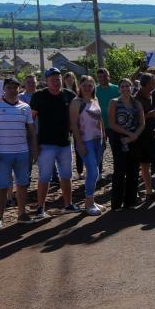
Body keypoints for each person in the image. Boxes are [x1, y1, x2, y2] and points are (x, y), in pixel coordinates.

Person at [0, 77, 38, 227]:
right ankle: (0, 216)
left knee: (22, 184)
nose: (12, 90)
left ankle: (22, 214)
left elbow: (31, 131)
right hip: (2, 153)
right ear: (4, 89)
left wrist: (34, 149)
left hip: (22, 152)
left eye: (15, 87)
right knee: (2, 186)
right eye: (9, 87)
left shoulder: (25, 107)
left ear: (18, 88)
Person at [30, 67, 79, 218]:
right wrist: (34, 143)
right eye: (52, 79)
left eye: (58, 79)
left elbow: (76, 117)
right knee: (44, 177)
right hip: (46, 144)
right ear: (46, 81)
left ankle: (68, 204)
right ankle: (40, 208)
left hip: (65, 143)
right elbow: (31, 120)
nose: (56, 82)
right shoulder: (38, 96)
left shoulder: (69, 95)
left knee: (66, 175)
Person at [70, 75, 105, 215]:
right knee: (93, 172)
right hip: (86, 141)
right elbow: (73, 124)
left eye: (90, 85)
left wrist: (104, 137)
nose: (87, 88)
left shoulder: (95, 99)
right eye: (84, 85)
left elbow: (100, 119)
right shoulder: (76, 102)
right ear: (80, 86)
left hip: (98, 140)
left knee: (94, 171)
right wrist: (79, 143)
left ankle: (91, 200)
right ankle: (89, 203)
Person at [108, 78, 145, 208]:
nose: (125, 89)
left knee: (133, 171)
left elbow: (142, 123)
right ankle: (116, 203)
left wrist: (134, 136)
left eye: (127, 86)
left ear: (131, 87)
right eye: (122, 86)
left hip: (134, 139)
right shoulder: (114, 102)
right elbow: (112, 124)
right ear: (119, 89)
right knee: (119, 171)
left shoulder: (137, 104)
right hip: (119, 139)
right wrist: (129, 135)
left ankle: (130, 201)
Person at [135, 73, 155, 198]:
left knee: (147, 164)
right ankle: (138, 192)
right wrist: (149, 115)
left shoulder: (151, 95)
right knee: (140, 164)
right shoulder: (136, 98)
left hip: (150, 135)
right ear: (146, 84)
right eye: (152, 82)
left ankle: (149, 191)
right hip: (140, 136)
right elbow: (134, 118)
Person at [96, 67, 120, 173]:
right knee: (99, 150)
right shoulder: (94, 90)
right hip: (99, 125)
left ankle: (118, 170)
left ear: (108, 76)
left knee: (116, 149)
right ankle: (99, 171)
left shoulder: (116, 89)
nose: (103, 78)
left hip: (114, 125)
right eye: (100, 77)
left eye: (105, 76)